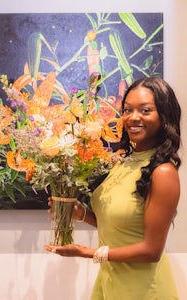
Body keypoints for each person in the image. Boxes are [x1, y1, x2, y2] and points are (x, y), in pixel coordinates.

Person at [44, 76, 181, 299]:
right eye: (128, 110)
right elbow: (120, 225)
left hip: (145, 289)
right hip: (111, 282)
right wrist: (80, 214)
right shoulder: (124, 162)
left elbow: (151, 250)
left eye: (145, 111)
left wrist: (89, 253)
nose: (133, 117)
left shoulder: (163, 172)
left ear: (164, 118)